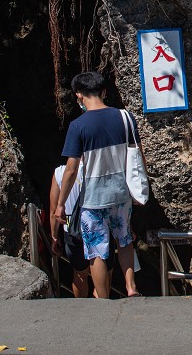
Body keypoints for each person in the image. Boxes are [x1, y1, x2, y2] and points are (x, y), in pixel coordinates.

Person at [54, 71, 144, 298]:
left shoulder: (78, 126)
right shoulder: (125, 117)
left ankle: (103, 299)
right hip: (121, 193)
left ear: (79, 96)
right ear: (103, 92)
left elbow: (72, 170)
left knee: (97, 250)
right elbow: (138, 156)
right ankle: (131, 287)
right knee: (124, 240)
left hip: (93, 200)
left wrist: (61, 204)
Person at [48, 164, 90, 298]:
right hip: (97, 226)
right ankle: (102, 303)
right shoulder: (96, 167)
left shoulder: (59, 172)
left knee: (79, 273)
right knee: (103, 270)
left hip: (71, 230)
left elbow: (53, 209)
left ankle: (82, 309)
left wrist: (54, 236)